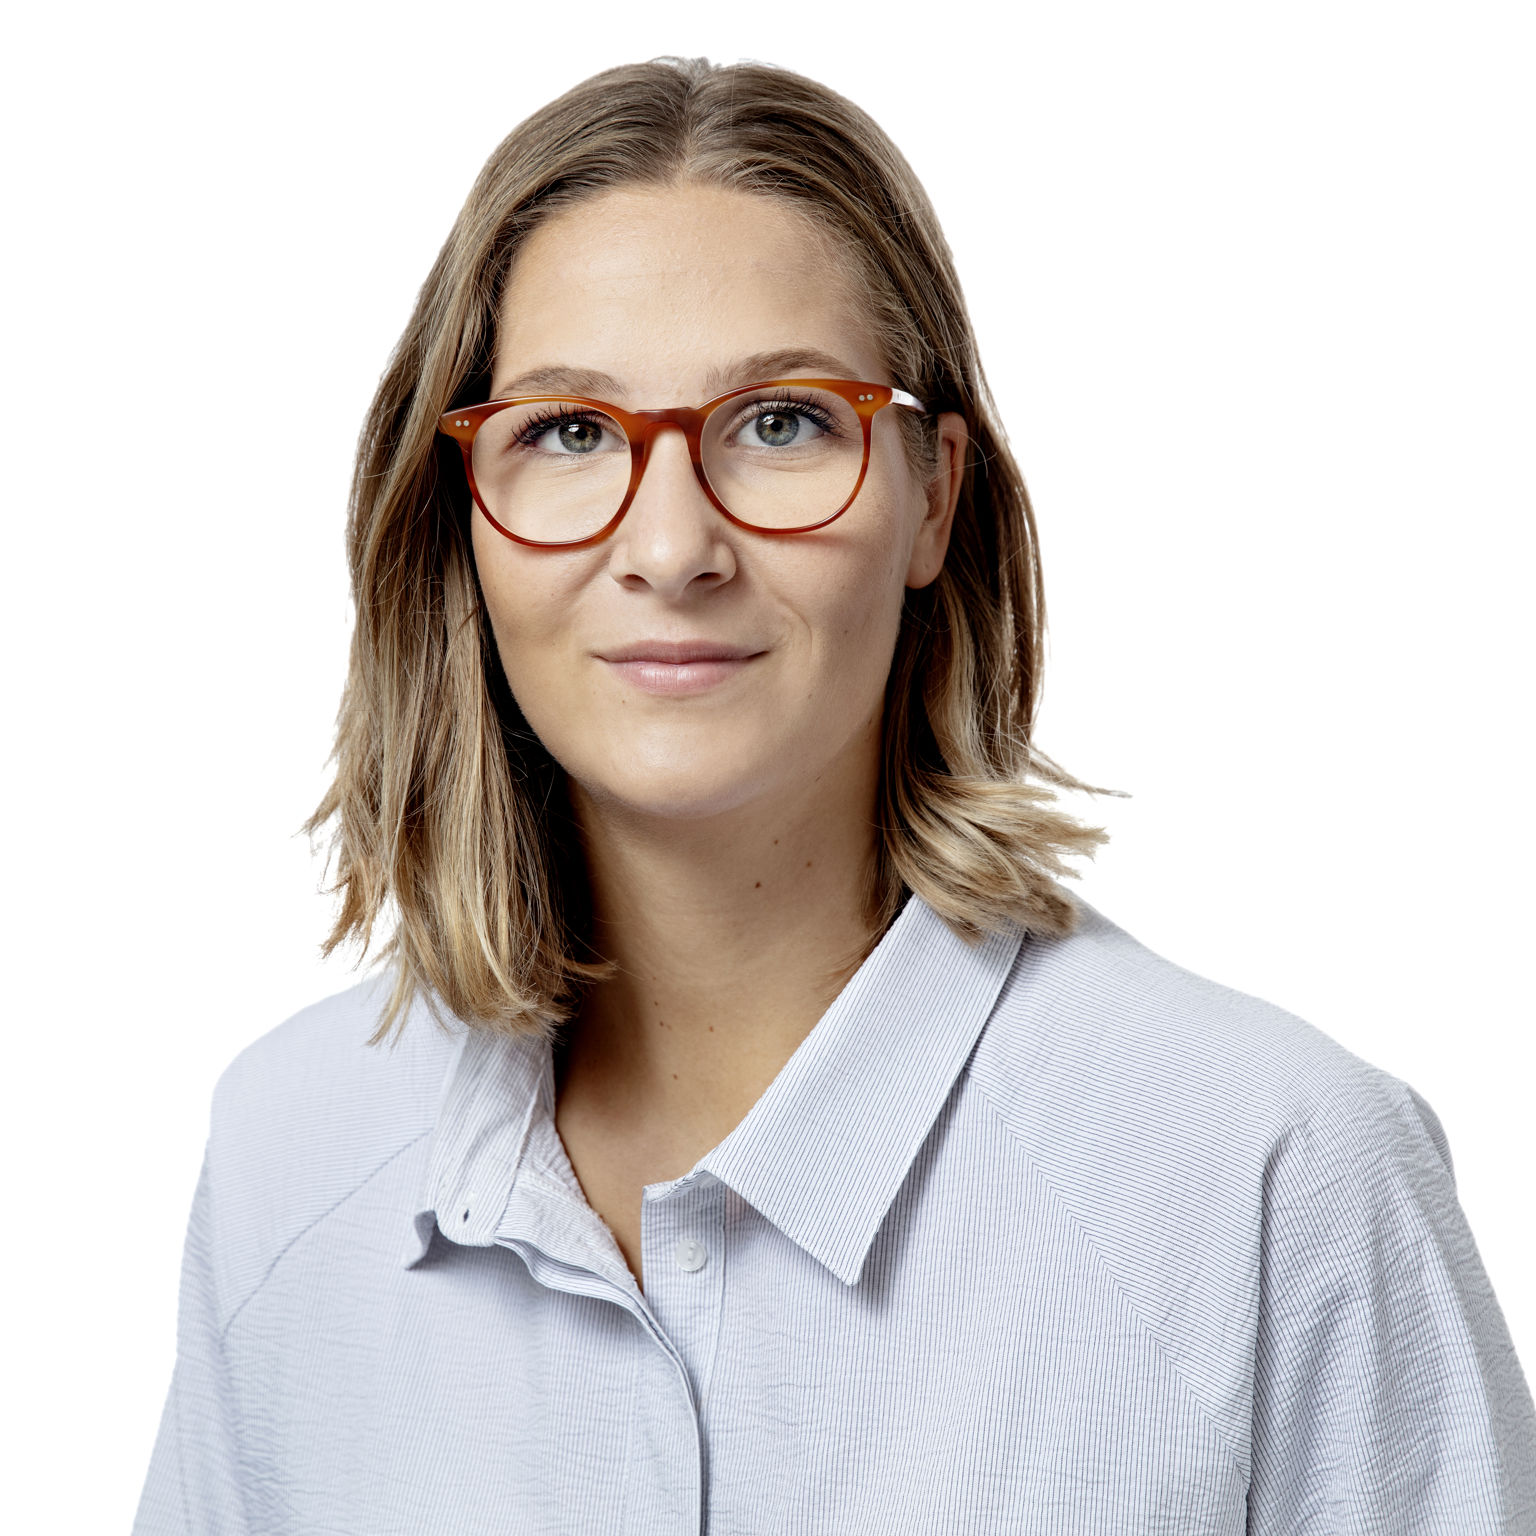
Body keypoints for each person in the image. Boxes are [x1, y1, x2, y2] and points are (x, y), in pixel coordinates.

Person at [133, 55, 1536, 1535]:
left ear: (934, 495)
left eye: (782, 421)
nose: (670, 549)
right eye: (568, 432)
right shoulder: (291, 1150)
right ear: (459, 517)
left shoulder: (1269, 1177)